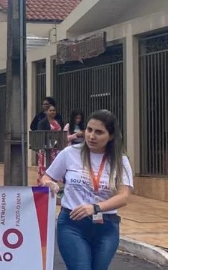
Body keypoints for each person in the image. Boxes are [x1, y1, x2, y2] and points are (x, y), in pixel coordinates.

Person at [40, 110, 133, 270]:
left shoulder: (120, 160)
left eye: (99, 132)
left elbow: (124, 196)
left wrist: (95, 208)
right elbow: (47, 177)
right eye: (89, 130)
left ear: (110, 136)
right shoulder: (70, 153)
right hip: (72, 224)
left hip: (106, 227)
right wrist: (49, 183)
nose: (91, 136)